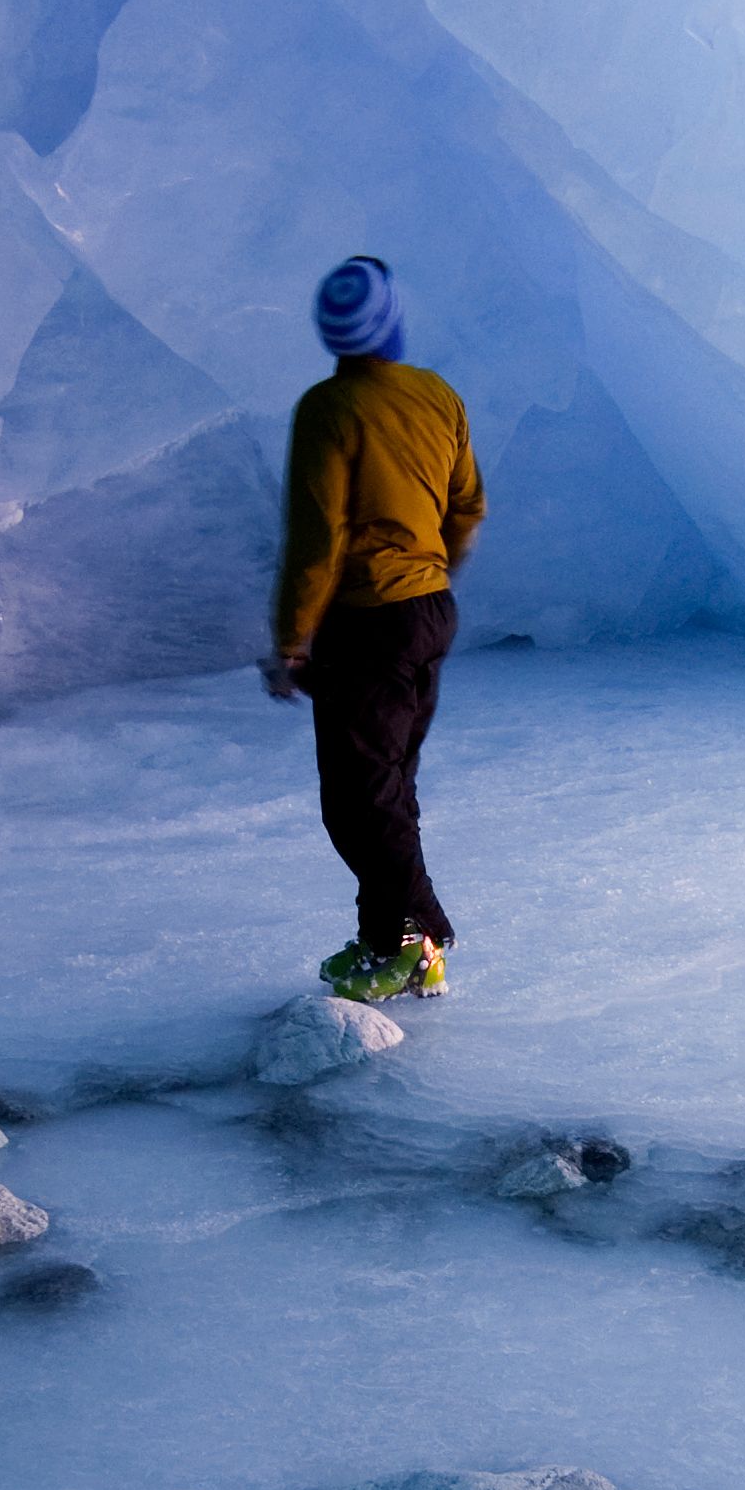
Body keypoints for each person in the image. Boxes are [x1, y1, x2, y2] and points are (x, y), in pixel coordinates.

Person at [263, 254, 483, 1001]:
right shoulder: (438, 396)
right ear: (392, 324)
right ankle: (380, 937)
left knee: (359, 799)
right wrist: (429, 575)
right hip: (428, 612)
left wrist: (291, 639)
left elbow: (317, 538)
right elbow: (466, 506)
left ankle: (416, 942)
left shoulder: (331, 410)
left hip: (368, 621)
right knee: (389, 788)